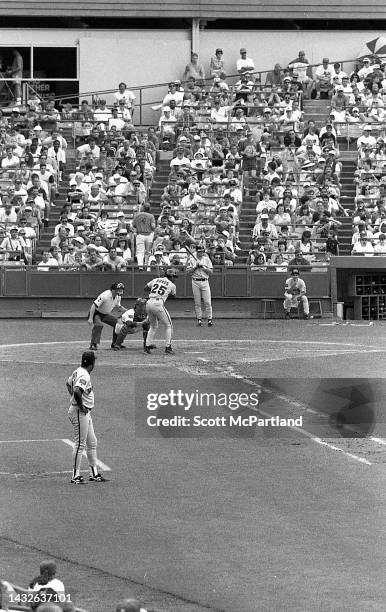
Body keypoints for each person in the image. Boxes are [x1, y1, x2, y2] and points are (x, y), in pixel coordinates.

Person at [66, 351, 108, 484]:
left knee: (92, 442)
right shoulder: (84, 375)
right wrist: (80, 404)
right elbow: (77, 391)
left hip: (83, 412)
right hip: (80, 412)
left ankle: (93, 473)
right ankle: (75, 475)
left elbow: (68, 384)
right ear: (92, 363)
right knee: (80, 444)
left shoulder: (78, 371)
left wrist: (75, 399)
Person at [143, 268, 177, 355]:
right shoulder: (172, 285)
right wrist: (166, 291)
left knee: (153, 326)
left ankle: (147, 346)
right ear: (171, 276)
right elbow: (174, 296)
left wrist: (156, 286)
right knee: (169, 325)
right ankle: (168, 347)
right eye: (174, 277)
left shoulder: (156, 279)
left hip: (149, 303)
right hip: (158, 304)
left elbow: (145, 288)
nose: (174, 279)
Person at [88, 282, 125, 350]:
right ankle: (93, 344)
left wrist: (129, 311)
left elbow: (119, 307)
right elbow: (94, 305)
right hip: (96, 313)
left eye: (121, 289)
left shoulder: (118, 297)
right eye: (118, 289)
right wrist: (90, 318)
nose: (120, 291)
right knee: (99, 325)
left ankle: (115, 343)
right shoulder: (105, 295)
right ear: (113, 289)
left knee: (118, 324)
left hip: (105, 314)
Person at [186, 244, 214, 327]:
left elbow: (211, 272)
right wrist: (195, 267)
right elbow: (187, 272)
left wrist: (203, 267)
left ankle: (209, 320)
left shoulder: (206, 259)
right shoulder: (191, 259)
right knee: (197, 302)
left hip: (205, 281)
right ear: (197, 251)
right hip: (195, 281)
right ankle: (199, 320)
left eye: (202, 251)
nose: (200, 253)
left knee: (207, 302)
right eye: (199, 251)